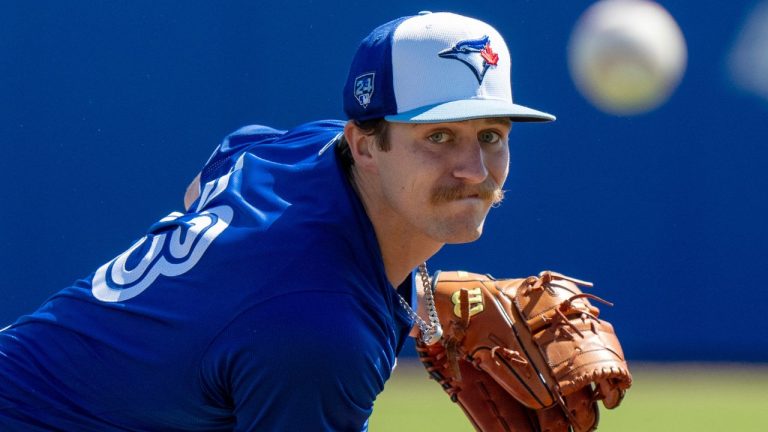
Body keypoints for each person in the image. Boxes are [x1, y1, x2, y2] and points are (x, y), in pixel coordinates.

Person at [0, 11, 554, 431]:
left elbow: (228, 160)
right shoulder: (319, 334)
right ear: (364, 145)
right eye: (438, 136)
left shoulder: (302, 150)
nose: (473, 169)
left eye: (491, 136)